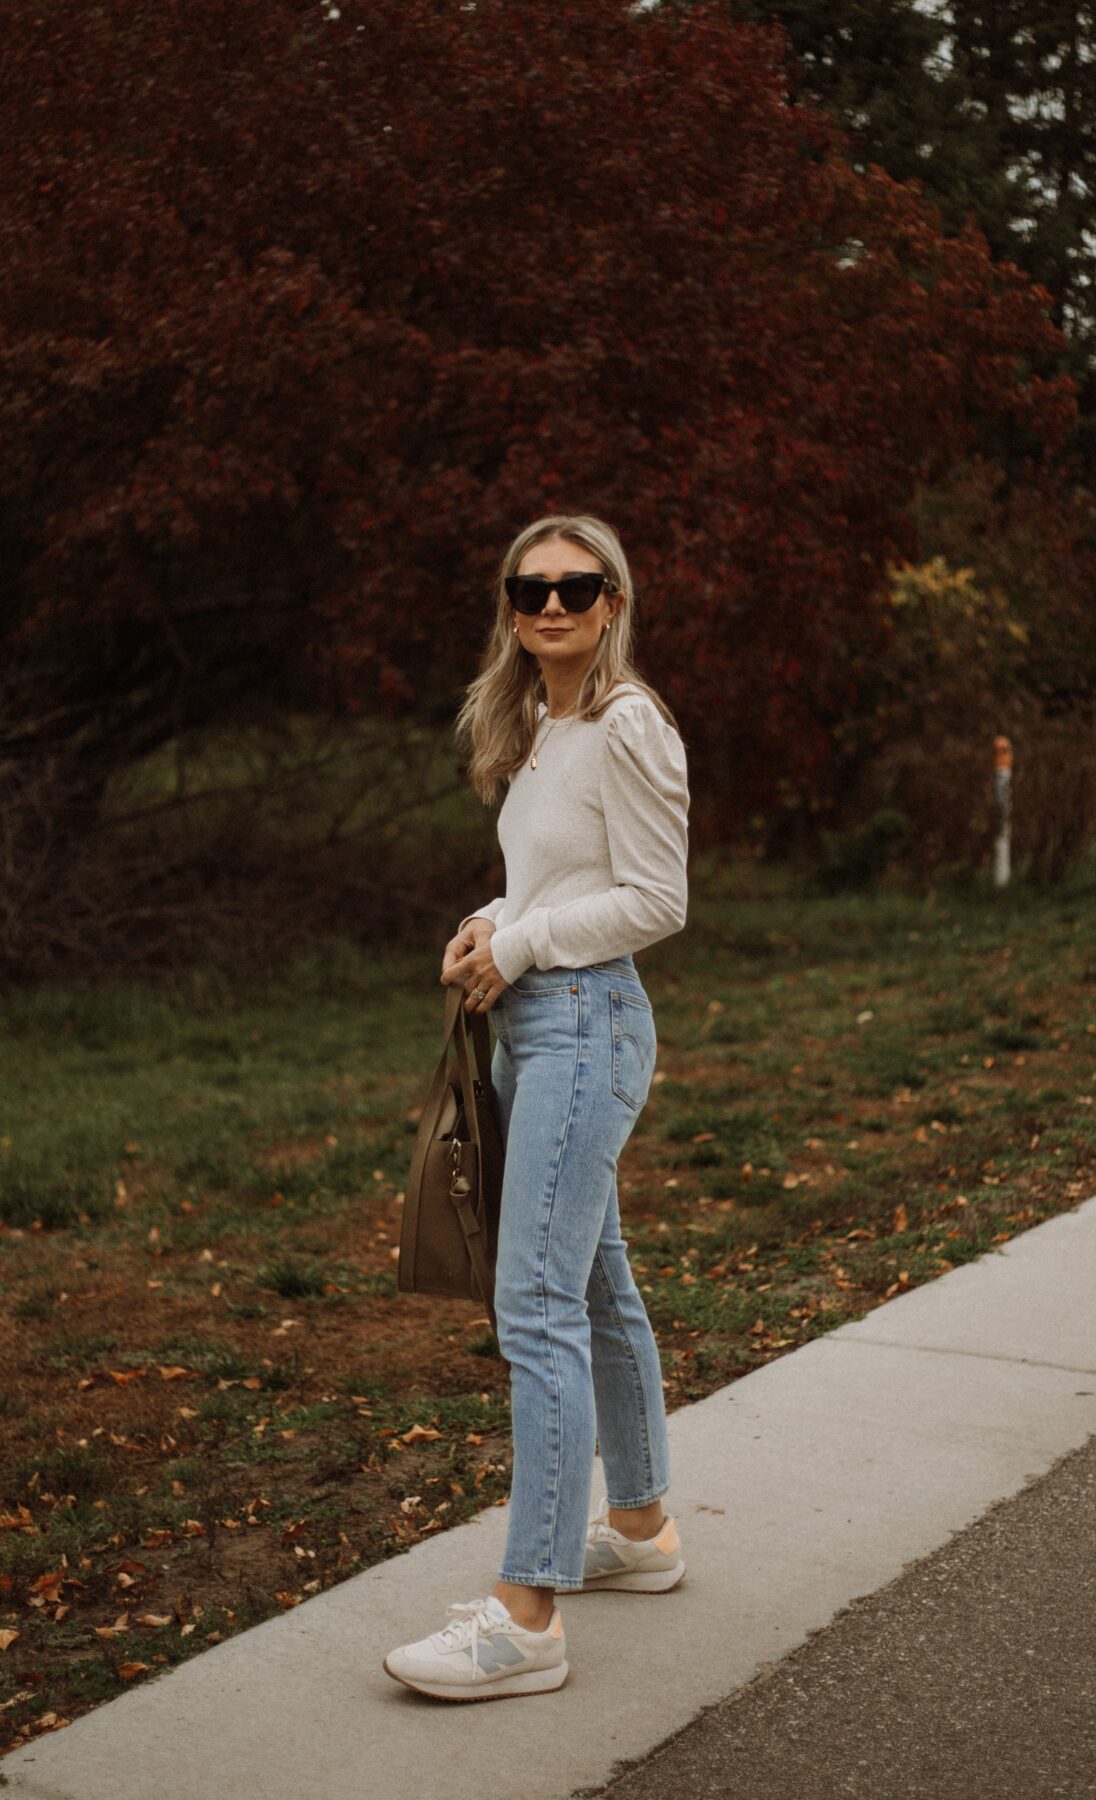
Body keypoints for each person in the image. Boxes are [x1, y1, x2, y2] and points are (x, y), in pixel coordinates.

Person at [382, 513, 691, 1701]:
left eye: (576, 587)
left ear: (612, 602)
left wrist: (526, 942)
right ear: (511, 603)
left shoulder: (628, 723)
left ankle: (526, 1620)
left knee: (536, 1307)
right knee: (597, 1285)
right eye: (530, 587)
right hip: (537, 1027)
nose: (551, 606)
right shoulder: (541, 727)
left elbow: (657, 901)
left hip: (587, 1026)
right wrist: (491, 919)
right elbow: (559, 880)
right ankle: (646, 1527)